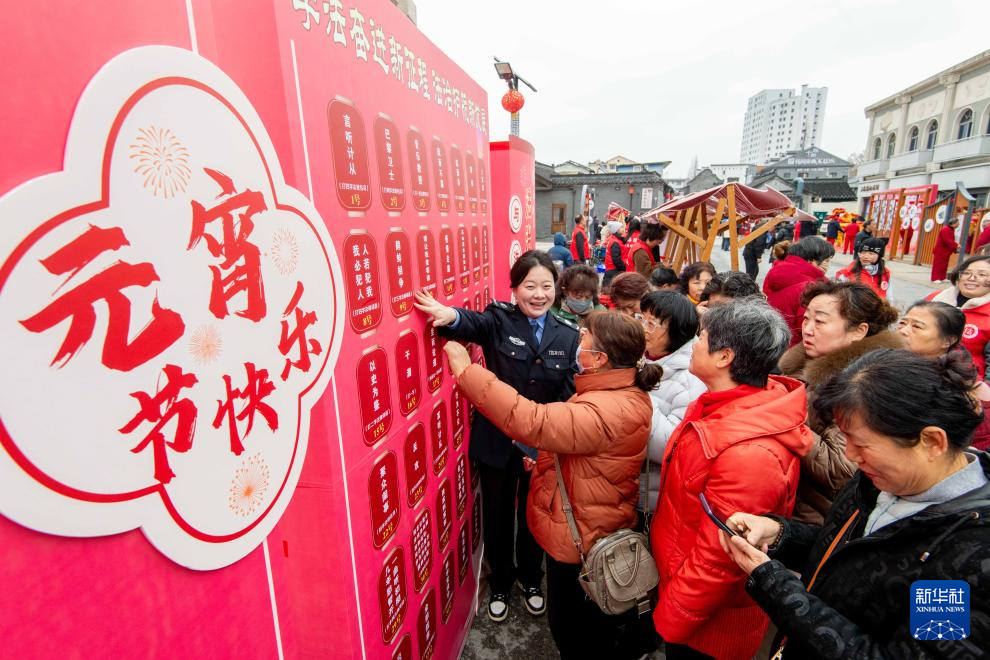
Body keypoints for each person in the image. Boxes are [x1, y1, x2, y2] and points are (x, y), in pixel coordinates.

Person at [721, 349, 990, 659]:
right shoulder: (877, 479)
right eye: (846, 438)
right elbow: (849, 552)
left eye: (861, 443)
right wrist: (780, 534)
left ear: (931, 442)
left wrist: (776, 586)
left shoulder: (970, 555)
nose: (850, 454)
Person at [443, 312, 661, 659]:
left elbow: (533, 421)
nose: (578, 341)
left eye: (585, 337)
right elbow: (580, 448)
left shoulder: (607, 408)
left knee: (573, 630)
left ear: (599, 358)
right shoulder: (617, 391)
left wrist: (467, 373)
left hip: (582, 538)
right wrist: (547, 457)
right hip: (593, 521)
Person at [412, 250, 580, 622]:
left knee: (535, 516)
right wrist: (449, 315)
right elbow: (469, 322)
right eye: (530, 286)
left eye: (546, 286)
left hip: (542, 446)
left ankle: (531, 579)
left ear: (557, 289)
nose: (539, 295)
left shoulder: (568, 335)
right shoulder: (499, 320)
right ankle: (501, 581)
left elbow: (568, 395)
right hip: (496, 442)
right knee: (498, 516)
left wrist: (539, 444)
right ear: (515, 289)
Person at [651, 300, 813, 659]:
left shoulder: (750, 454)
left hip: (709, 625)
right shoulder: (720, 404)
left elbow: (720, 559)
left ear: (725, 357)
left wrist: (671, 619)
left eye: (701, 337)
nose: (694, 344)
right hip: (683, 589)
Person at [778, 280, 902, 523]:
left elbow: (842, 468)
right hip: (793, 503)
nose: (807, 329)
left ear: (859, 331)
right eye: (806, 319)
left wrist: (781, 418)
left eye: (820, 321)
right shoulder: (803, 365)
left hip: (823, 518)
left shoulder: (864, 384)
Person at [637, 292, 706, 513]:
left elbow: (668, 446)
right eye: (641, 318)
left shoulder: (690, 378)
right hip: (631, 483)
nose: (642, 328)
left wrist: (637, 392)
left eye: (651, 324)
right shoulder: (644, 356)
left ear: (677, 332)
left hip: (652, 496)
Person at [899, 300, 990, 451]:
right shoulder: (893, 364)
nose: (903, 331)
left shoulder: (962, 386)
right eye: (902, 323)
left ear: (947, 340)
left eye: (917, 326)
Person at [926, 255, 990, 381]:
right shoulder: (933, 299)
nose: (971, 278)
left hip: (964, 382)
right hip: (921, 373)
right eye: (966, 273)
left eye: (982, 274)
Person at [763, 236, 835, 346]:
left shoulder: (777, 272)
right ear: (812, 261)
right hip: (797, 347)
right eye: (827, 260)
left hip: (772, 341)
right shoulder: (812, 287)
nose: (828, 265)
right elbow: (810, 327)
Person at [931, 216, 961, 283]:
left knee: (944, 265)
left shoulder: (950, 229)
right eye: (958, 223)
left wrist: (955, 248)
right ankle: (935, 278)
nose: (959, 224)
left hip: (945, 251)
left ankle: (942, 277)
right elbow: (947, 240)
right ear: (954, 223)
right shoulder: (946, 229)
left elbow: (950, 241)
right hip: (941, 250)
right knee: (938, 264)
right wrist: (956, 245)